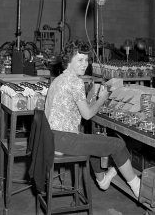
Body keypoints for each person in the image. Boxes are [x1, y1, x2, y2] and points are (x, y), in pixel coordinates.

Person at [45, 40, 141, 198]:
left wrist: (92, 99)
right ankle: (137, 187)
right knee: (117, 144)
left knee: (96, 139)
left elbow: (72, 106)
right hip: (63, 139)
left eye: (87, 60)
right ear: (69, 60)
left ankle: (102, 180)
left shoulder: (58, 79)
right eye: (80, 60)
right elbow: (88, 115)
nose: (85, 64)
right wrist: (102, 98)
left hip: (52, 137)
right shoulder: (75, 82)